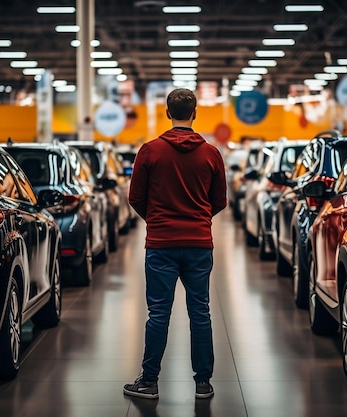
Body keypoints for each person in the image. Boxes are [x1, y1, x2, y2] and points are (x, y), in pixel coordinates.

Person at [123, 88, 227, 400]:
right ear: (195, 113)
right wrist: (198, 218)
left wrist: (155, 220)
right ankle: (203, 383)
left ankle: (150, 381)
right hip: (198, 244)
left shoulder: (150, 151)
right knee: (200, 312)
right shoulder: (211, 154)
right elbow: (219, 201)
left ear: (168, 113)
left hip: (161, 245)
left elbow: (135, 197)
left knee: (158, 313)